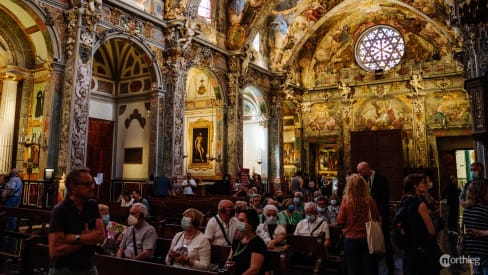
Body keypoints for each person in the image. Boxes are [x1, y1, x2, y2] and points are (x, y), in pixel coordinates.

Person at [48, 167, 105, 275]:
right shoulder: (60, 211)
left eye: (92, 183)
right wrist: (87, 240)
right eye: (87, 184)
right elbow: (55, 252)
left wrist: (73, 238)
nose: (92, 187)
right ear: (74, 188)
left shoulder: (92, 205)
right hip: (64, 270)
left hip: (89, 267)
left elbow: (101, 236)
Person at [336, 174, 380, 275]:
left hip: (350, 239)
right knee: (368, 269)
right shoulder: (370, 201)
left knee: (353, 269)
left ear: (349, 186)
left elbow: (340, 221)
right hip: (367, 239)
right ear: (364, 186)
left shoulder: (346, 202)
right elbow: (377, 217)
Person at [357, 161, 393, 275]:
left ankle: (391, 268)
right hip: (367, 218)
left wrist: (379, 215)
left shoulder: (381, 179)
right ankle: (374, 269)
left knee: (386, 242)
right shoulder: (361, 179)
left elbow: (384, 199)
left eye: (360, 171)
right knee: (371, 244)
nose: (359, 173)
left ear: (367, 169)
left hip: (381, 217)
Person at [400, 174, 441, 275]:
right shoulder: (420, 204)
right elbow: (431, 231)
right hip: (422, 250)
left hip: (409, 250)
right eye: (422, 183)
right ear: (415, 186)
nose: (425, 184)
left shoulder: (403, 201)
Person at [228, 208, 268, 275]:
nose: (238, 223)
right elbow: (230, 258)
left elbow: (254, 269)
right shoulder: (238, 239)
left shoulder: (257, 243)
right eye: (238, 220)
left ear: (251, 223)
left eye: (241, 220)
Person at [462, 180, 488, 275]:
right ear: (482, 193)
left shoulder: (466, 211)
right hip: (485, 250)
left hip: (473, 250)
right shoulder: (485, 210)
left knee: (477, 271)